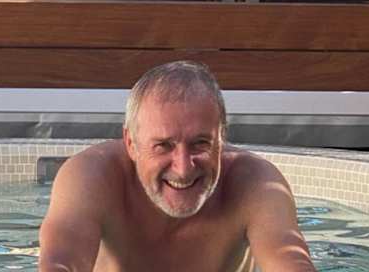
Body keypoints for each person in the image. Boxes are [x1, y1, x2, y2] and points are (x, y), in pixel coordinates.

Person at [39, 61, 315, 272]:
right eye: (163, 145)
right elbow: (61, 262)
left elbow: (290, 260)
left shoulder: (257, 184)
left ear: (221, 139)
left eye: (200, 144)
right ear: (131, 143)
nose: (183, 169)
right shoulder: (92, 176)